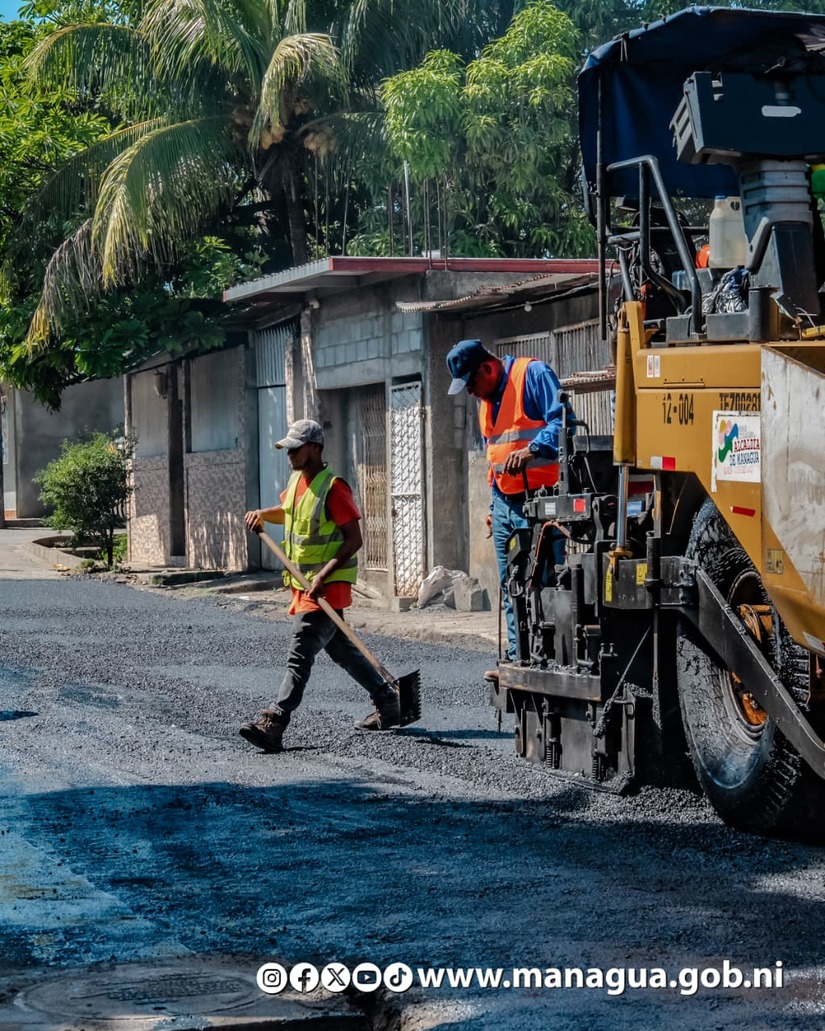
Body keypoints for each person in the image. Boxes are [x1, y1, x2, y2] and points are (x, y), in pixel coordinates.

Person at [239, 418, 400, 753]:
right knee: (342, 652)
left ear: (314, 447)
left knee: (299, 655)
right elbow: (287, 511)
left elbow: (354, 539)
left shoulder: (334, 487)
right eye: (288, 450)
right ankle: (389, 701)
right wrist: (262, 515)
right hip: (306, 588)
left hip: (326, 588)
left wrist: (323, 575)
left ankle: (275, 721)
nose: (290, 455)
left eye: (296, 449)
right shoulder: (297, 481)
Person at [445, 339, 574, 673]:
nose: (471, 393)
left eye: (471, 384)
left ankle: (551, 660)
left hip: (542, 501)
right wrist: (493, 506)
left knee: (544, 582)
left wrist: (534, 449)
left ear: (487, 368)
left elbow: (563, 423)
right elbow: (494, 455)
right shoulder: (485, 403)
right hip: (505, 503)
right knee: (512, 586)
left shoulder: (532, 374)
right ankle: (520, 660)